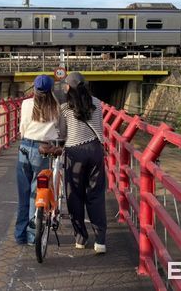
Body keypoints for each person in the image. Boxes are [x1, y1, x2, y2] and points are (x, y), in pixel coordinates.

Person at [59, 71, 107, 254]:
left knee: (75, 195)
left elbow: (62, 134)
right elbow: (100, 128)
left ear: (69, 87)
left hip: (75, 153)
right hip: (95, 150)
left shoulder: (65, 108)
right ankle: (100, 241)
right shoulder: (97, 103)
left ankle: (81, 237)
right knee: (95, 195)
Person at [15, 74, 61, 245]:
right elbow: (58, 131)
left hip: (25, 147)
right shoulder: (56, 106)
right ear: (51, 89)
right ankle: (32, 236)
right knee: (37, 193)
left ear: (34, 88)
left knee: (24, 194)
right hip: (42, 150)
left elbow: (22, 128)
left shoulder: (26, 104)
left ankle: (20, 235)